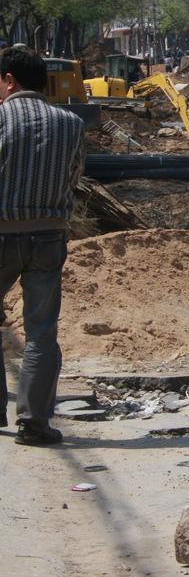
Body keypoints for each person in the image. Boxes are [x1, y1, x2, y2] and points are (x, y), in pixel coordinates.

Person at [0, 46, 84, 445]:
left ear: (9, 80)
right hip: (49, 236)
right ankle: (34, 423)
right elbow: (74, 178)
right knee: (41, 331)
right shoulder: (71, 124)